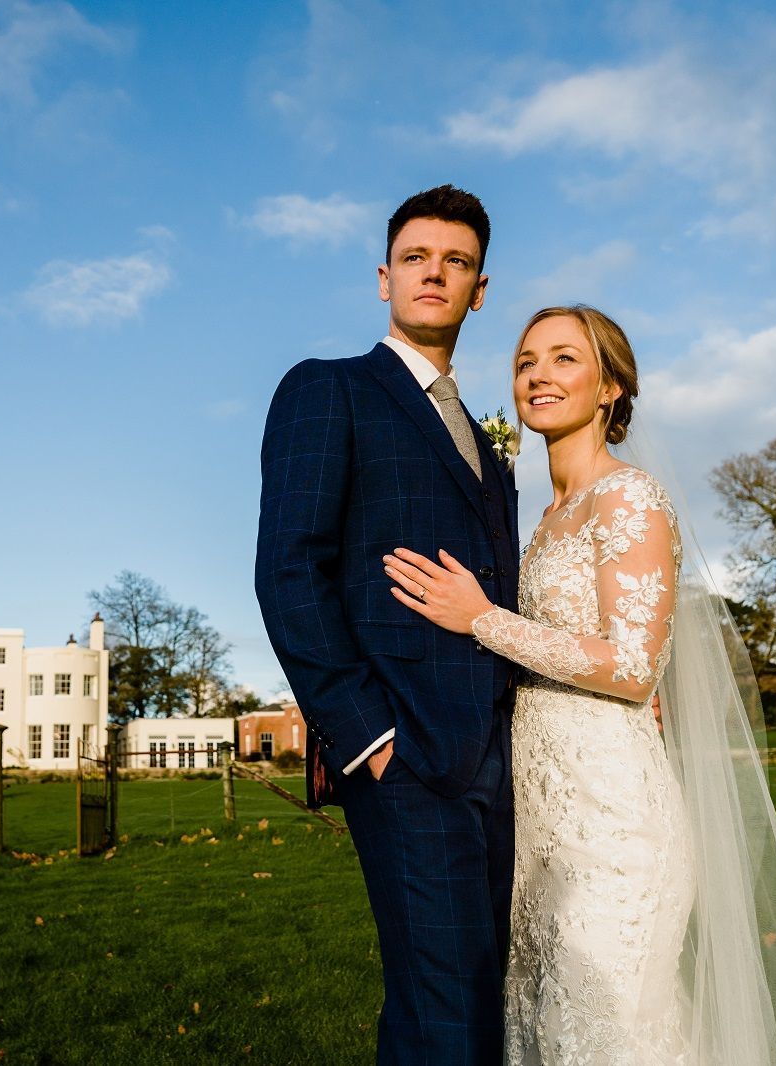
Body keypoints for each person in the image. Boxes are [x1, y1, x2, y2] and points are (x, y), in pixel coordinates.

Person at [382, 305, 776, 1064]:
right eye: (526, 360)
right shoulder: (540, 521)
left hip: (614, 830)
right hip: (539, 829)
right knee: (544, 1035)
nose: (539, 373)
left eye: (565, 358)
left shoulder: (630, 499)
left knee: (608, 1036)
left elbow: (635, 669)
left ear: (610, 387)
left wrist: (481, 619)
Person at [255, 184, 520, 1063]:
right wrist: (366, 732)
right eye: (416, 258)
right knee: (449, 1009)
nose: (434, 274)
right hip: (403, 750)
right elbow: (289, 568)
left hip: (500, 757)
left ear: (480, 289)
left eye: (456, 262)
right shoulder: (327, 390)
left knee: (463, 998)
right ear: (383, 278)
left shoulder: (489, 449)